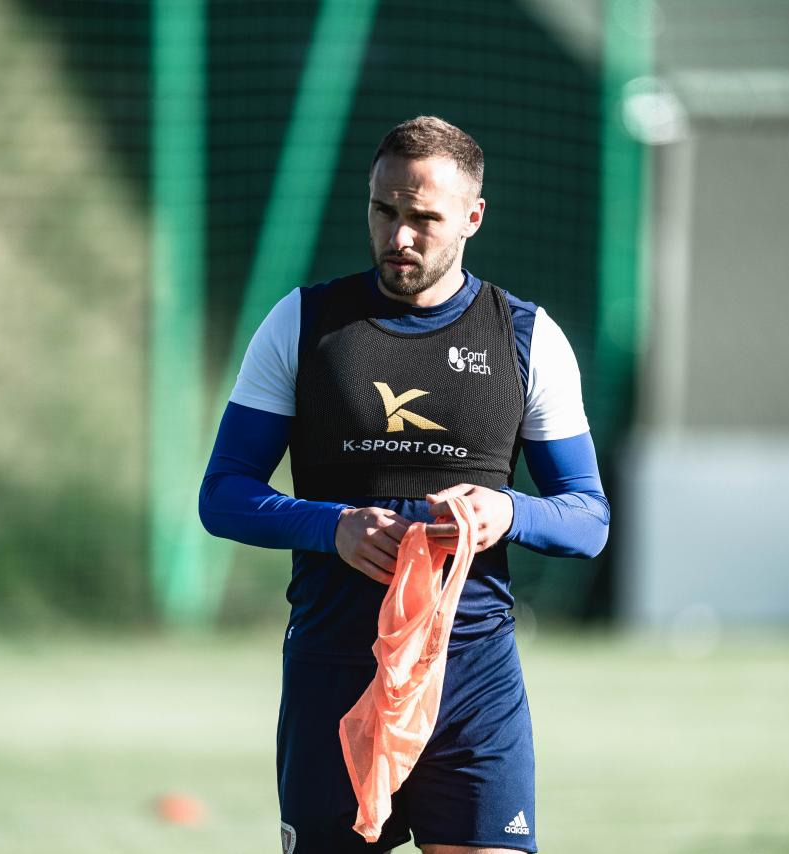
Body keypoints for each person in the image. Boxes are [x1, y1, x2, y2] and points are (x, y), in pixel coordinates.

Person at [199, 116, 609, 854]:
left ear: (473, 217)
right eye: (383, 210)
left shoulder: (527, 337)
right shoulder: (304, 324)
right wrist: (331, 527)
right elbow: (223, 494)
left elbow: (588, 519)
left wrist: (506, 511)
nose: (399, 236)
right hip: (335, 672)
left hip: (472, 680)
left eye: (424, 218)